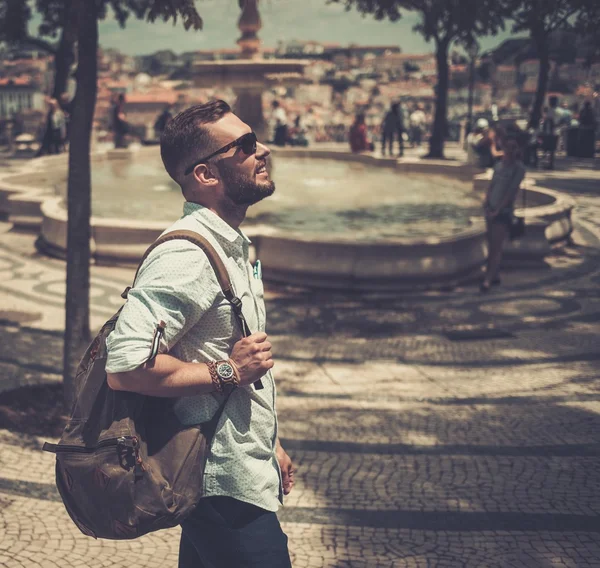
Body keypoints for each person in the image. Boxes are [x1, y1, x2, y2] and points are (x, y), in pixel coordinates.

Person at [105, 100, 294, 568]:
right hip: (218, 487)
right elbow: (126, 366)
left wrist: (268, 439)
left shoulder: (231, 244)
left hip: (237, 467)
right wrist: (230, 369)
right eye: (246, 146)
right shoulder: (188, 254)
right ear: (206, 174)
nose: (263, 150)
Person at [481, 136, 526, 292]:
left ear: (518, 150)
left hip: (503, 212)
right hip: (490, 208)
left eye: (514, 147)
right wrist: (486, 203)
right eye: (508, 147)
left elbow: (511, 192)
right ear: (504, 148)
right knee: (490, 244)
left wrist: (497, 210)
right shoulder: (498, 166)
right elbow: (491, 186)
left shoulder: (519, 169)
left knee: (496, 247)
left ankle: (487, 279)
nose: (511, 151)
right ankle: (495, 275)